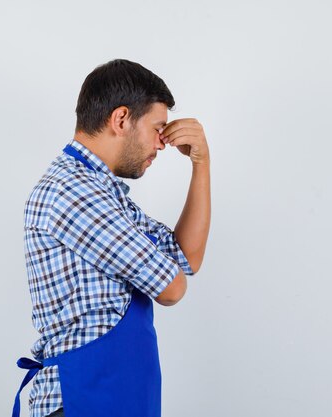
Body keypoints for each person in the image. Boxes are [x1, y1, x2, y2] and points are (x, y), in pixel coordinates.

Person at [12, 59, 211, 417]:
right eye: (157, 128)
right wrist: (170, 275)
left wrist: (201, 164)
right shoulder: (73, 191)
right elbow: (171, 288)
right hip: (81, 400)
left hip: (115, 400)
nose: (162, 144)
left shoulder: (107, 194)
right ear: (121, 119)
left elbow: (185, 259)